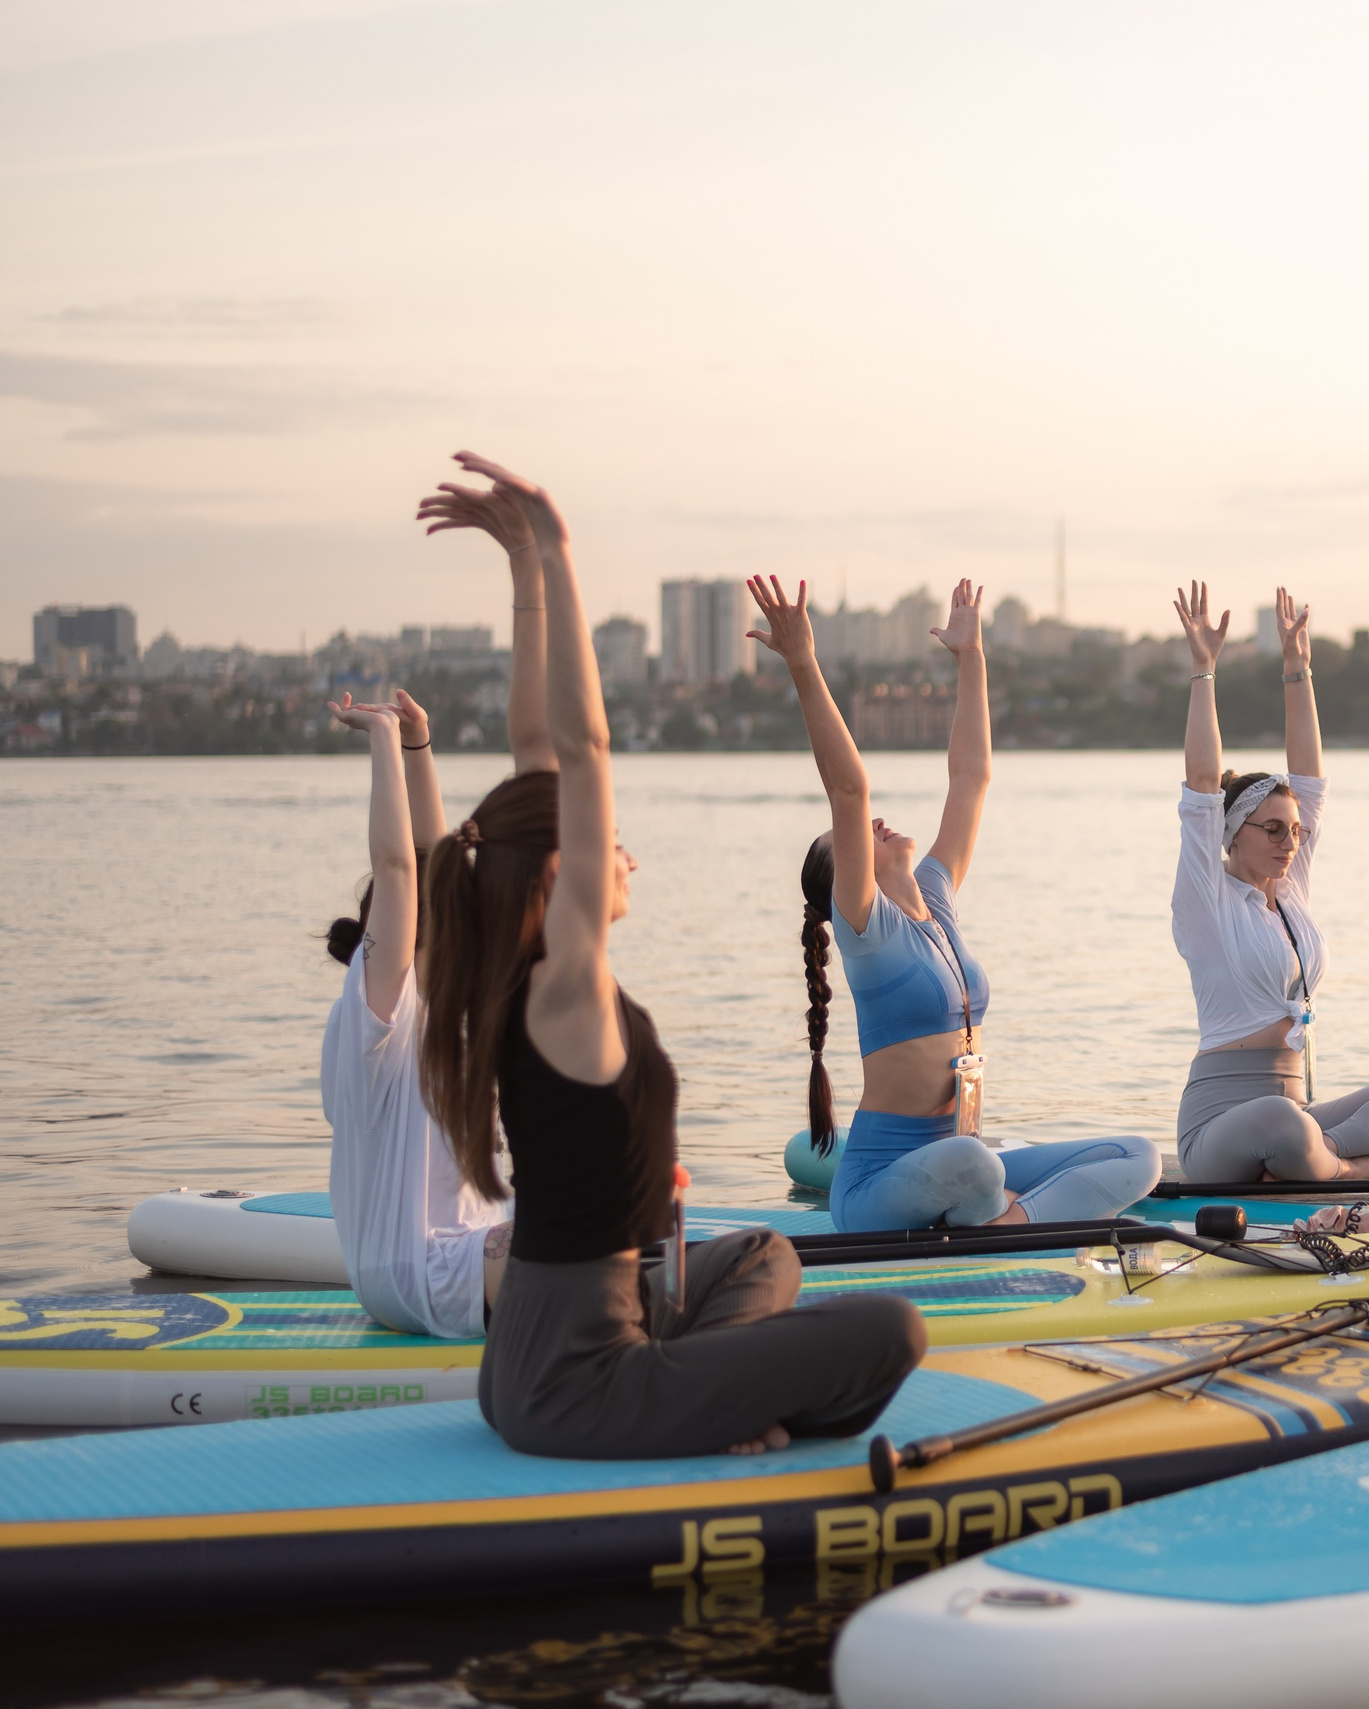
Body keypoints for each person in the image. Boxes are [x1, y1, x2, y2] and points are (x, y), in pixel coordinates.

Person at [419, 452, 923, 1459]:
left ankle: (710, 1393)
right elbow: (580, 751)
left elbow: (537, 752)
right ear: (557, 876)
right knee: (893, 1331)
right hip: (581, 1380)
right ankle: (709, 1406)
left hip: (540, 1351)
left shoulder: (522, 978)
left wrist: (524, 571)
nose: (627, 856)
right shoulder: (564, 985)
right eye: (608, 846)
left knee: (765, 1253)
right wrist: (560, 548)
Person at [748, 574, 1159, 1233]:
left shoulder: (935, 899)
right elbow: (849, 790)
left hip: (957, 1161)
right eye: (850, 840)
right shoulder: (867, 929)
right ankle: (1005, 1214)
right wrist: (803, 663)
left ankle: (1007, 1222)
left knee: (1138, 1156)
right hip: (881, 1183)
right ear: (845, 875)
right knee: (975, 1163)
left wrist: (972, 658)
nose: (873, 824)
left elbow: (971, 777)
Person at [1167, 581, 1369, 1184]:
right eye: (1273, 829)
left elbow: (1310, 780)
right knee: (1280, 1120)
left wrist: (1297, 670)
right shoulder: (1207, 901)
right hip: (1220, 1124)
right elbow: (1200, 783)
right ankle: (1351, 1167)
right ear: (1232, 833)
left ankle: (1321, 1156)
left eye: (1295, 832)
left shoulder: (1291, 893)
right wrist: (1204, 670)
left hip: (1300, 1114)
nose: (1289, 842)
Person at [319, 686, 508, 1338]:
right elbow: (399, 866)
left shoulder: (452, 1007)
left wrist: (418, 743)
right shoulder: (379, 1019)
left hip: (465, 1252)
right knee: (582, 1244)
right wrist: (381, 739)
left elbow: (436, 858)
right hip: (416, 1269)